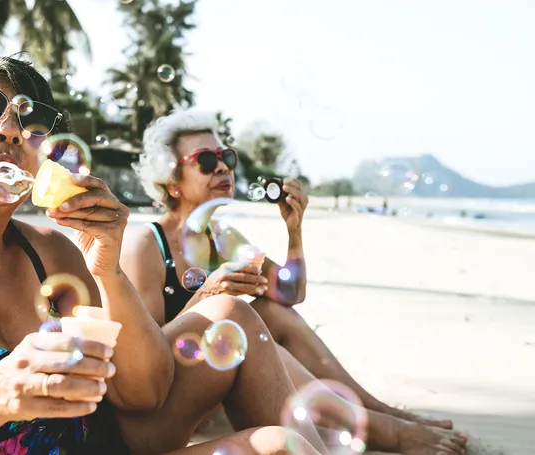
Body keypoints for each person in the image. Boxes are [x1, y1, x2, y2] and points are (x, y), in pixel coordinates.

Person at [0, 45, 332, 455]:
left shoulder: (51, 251)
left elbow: (144, 396)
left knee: (280, 442)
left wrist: (106, 267)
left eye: (31, 124)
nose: (9, 131)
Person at [120, 108, 469, 455]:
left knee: (274, 312)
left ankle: (381, 412)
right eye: (206, 161)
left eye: (227, 156)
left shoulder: (221, 238)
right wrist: (206, 296)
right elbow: (146, 362)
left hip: (215, 377)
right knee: (249, 333)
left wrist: (294, 231)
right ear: (172, 181)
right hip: (174, 398)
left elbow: (288, 292)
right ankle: (388, 431)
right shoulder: (146, 245)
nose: (224, 167)